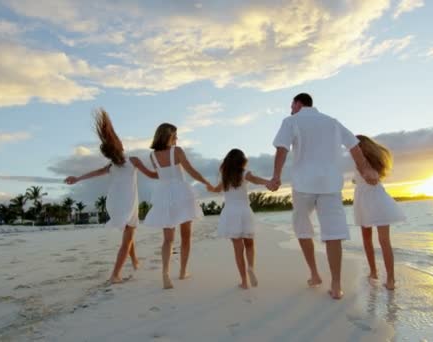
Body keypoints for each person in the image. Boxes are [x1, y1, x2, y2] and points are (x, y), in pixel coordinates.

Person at [267, 93, 379, 299]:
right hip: (330, 184)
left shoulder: (291, 121)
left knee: (302, 228)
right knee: (333, 233)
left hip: (303, 184)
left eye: (292, 105)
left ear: (299, 103)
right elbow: (354, 146)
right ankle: (336, 285)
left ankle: (315, 274)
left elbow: (282, 148)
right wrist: (364, 170)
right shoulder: (332, 122)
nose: (290, 109)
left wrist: (276, 176)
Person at [65, 109, 157, 284]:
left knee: (128, 234)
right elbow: (152, 176)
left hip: (115, 202)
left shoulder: (112, 166)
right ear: (119, 145)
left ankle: (135, 261)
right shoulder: (133, 160)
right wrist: (164, 170)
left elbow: (96, 172)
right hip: (128, 202)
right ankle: (115, 275)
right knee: (128, 238)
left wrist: (77, 178)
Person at [143, 123, 211, 289]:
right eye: (175, 135)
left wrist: (141, 169)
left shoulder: (153, 156)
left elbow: (158, 175)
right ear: (169, 136)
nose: (177, 139)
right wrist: (207, 182)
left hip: (164, 194)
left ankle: (165, 274)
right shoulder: (177, 151)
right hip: (181, 193)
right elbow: (191, 171)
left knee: (168, 239)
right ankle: (182, 271)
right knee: (186, 236)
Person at [207, 149, 270, 289]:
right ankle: (251, 267)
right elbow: (256, 179)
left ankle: (244, 281)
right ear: (241, 161)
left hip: (230, 212)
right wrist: (269, 182)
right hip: (244, 210)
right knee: (249, 244)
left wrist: (210, 188)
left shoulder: (225, 176)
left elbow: (217, 189)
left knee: (237, 249)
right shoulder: (244, 173)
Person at [353, 135, 405, 290]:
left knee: (371, 239)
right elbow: (371, 177)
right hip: (377, 200)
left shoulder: (362, 162)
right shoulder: (373, 161)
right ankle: (387, 278)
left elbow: (372, 177)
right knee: (382, 241)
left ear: (360, 147)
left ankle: (376, 273)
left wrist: (367, 177)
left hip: (368, 202)